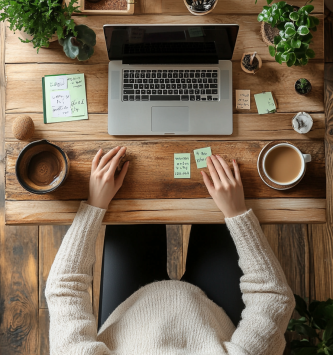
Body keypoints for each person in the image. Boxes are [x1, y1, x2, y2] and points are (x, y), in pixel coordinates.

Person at [46, 146, 295, 355]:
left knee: (130, 189)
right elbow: (274, 298)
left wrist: (94, 205)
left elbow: (64, 289)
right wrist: (237, 214)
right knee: (223, 195)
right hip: (211, 313)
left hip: (130, 307)